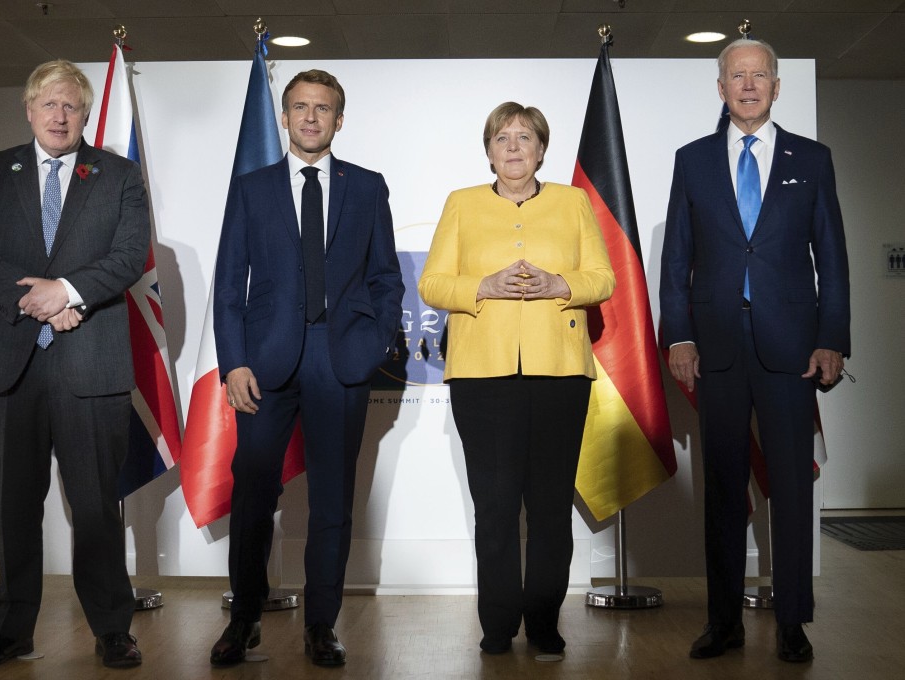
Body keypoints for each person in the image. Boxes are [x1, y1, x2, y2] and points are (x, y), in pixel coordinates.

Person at [0, 59, 150, 669]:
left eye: (71, 105)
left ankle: (112, 629)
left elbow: (129, 254)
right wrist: (34, 300)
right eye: (48, 104)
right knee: (13, 506)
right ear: (29, 108)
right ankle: (11, 631)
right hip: (7, 365)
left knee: (95, 508)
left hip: (91, 365)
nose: (59, 116)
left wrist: (66, 292)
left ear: (85, 113)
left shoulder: (117, 174)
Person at [660, 38, 850, 663]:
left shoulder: (812, 159)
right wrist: (679, 334)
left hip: (792, 347)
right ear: (720, 88)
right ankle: (724, 622)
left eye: (758, 75)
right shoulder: (691, 161)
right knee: (720, 488)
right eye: (735, 75)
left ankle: (793, 623)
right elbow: (676, 260)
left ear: (775, 85)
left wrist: (832, 338)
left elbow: (833, 259)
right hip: (715, 346)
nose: (747, 85)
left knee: (792, 487)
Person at [208, 69, 404, 667]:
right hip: (264, 365)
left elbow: (387, 279)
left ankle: (322, 624)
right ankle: (244, 618)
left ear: (339, 120)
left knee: (332, 502)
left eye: (323, 108)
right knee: (253, 492)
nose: (311, 117)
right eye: (299, 107)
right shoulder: (252, 187)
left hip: (340, 361)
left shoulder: (367, 187)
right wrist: (233, 361)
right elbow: (228, 284)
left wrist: (370, 347)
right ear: (286, 117)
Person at [418, 102, 615, 655]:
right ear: (488, 150)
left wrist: (560, 284)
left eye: (524, 137)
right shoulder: (462, 204)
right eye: (502, 138)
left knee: (551, 505)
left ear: (541, 149)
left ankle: (546, 622)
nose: (513, 147)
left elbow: (604, 277)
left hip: (560, 374)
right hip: (483, 377)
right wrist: (485, 285)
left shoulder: (573, 202)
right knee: (497, 505)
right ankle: (498, 625)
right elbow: (433, 284)